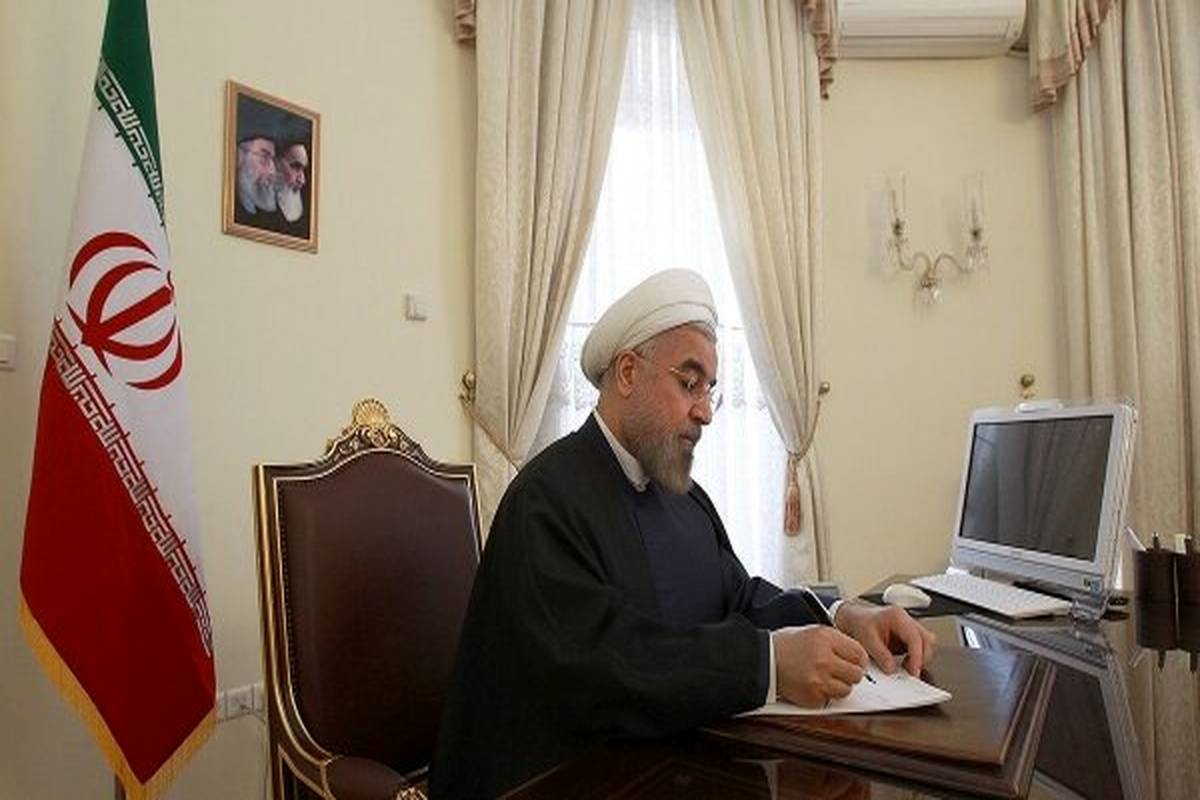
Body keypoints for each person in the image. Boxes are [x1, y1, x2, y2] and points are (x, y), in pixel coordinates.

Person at [430, 270, 936, 798]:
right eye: (689, 383)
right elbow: (604, 667)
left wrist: (842, 617)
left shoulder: (684, 498)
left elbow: (738, 599)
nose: (706, 412)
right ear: (628, 372)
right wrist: (768, 664)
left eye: (709, 389)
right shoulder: (545, 501)